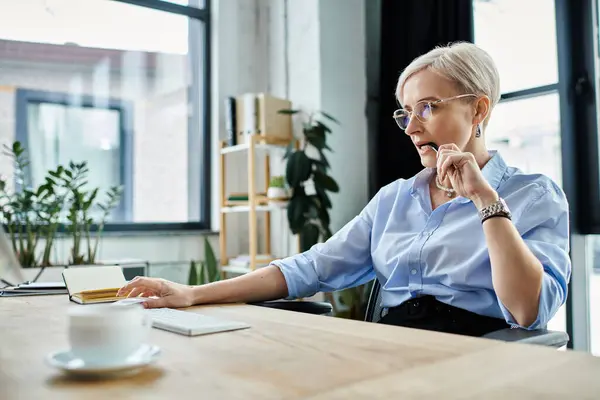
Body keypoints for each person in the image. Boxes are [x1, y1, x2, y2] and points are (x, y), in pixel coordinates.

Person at [118, 42, 571, 337]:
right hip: (387, 352)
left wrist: (485, 201)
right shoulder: (395, 199)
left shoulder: (535, 195)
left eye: (427, 109)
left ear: (478, 110)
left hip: (475, 363)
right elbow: (308, 268)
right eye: (405, 114)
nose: (411, 128)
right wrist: (193, 293)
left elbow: (528, 310)